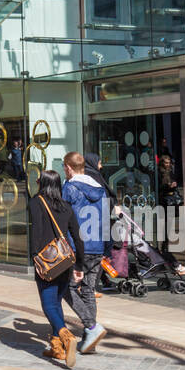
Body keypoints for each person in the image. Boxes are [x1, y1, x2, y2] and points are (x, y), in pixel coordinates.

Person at [29, 168, 85, 369]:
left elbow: (36, 231)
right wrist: (79, 265)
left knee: (48, 305)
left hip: (47, 261)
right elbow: (77, 237)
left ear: (42, 183)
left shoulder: (36, 202)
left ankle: (66, 336)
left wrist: (35, 257)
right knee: (57, 302)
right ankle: (56, 347)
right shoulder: (66, 206)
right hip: (65, 263)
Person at [59, 151, 109, 355]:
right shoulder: (101, 189)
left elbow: (63, 219)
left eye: (64, 167)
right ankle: (91, 338)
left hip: (77, 246)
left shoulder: (69, 188)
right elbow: (106, 220)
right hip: (97, 246)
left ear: (68, 167)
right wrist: (105, 247)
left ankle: (91, 326)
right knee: (88, 289)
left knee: (67, 288)